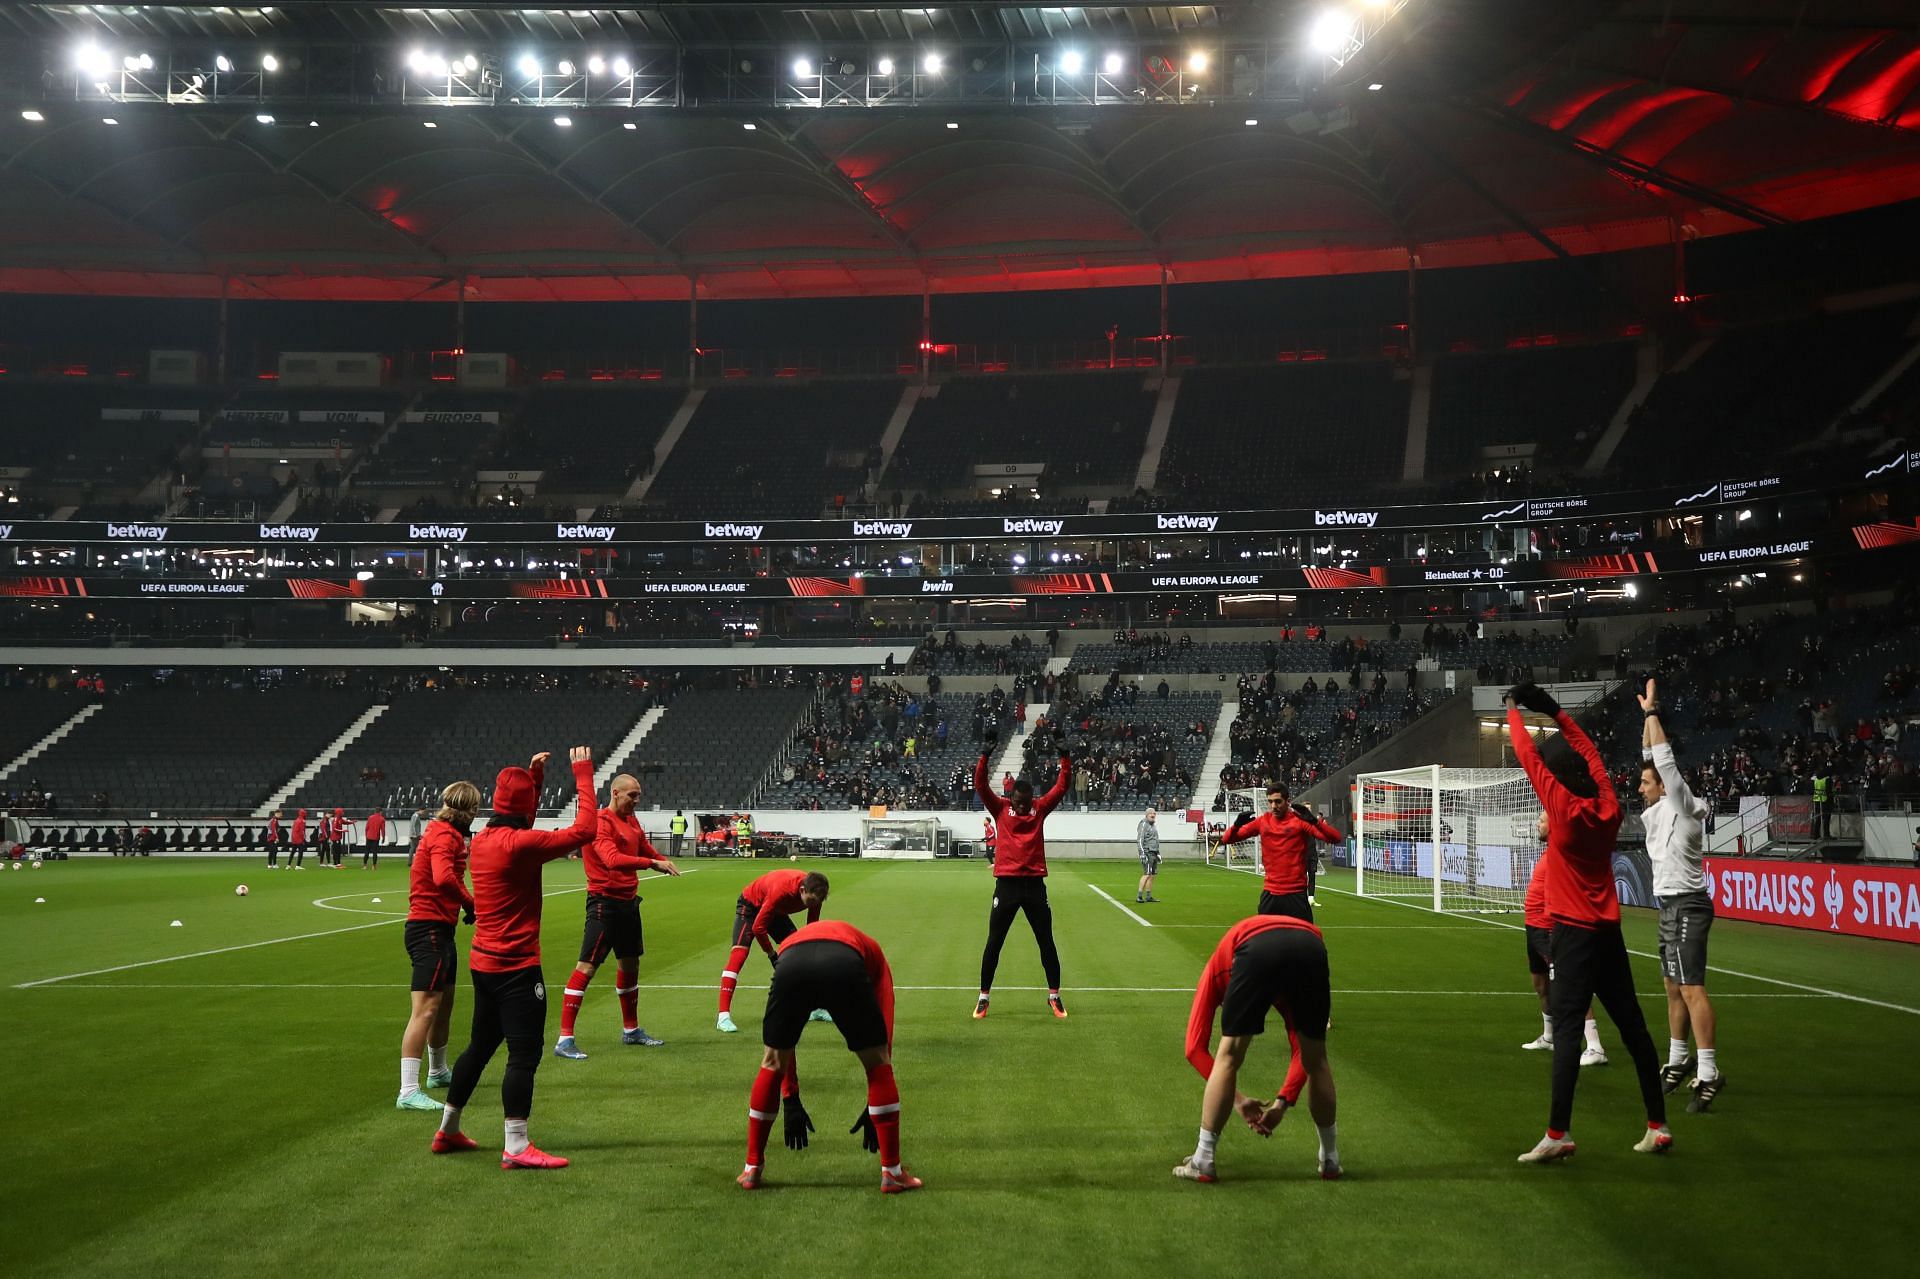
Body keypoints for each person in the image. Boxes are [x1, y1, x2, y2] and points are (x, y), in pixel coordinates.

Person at [1504, 684, 1669, 1164]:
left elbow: (1526, 754)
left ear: (1560, 785)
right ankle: (1657, 1124)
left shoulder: (1563, 810)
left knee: (1568, 1032)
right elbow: (1588, 750)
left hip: (1572, 933)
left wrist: (1514, 708)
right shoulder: (1610, 807)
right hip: (1608, 934)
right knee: (1634, 1028)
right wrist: (1554, 710)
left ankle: (1558, 1132)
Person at [433, 747, 598, 1170]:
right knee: (524, 1053)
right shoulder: (521, 845)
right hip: (517, 966)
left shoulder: (485, 839)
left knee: (481, 1045)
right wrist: (582, 774)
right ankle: (517, 1145)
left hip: (483, 962)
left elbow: (519, 813)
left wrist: (534, 779)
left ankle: (448, 1128)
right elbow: (584, 831)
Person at [736, 918, 920, 1194]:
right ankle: (892, 1173)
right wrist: (876, 1098)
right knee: (877, 1064)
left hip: (792, 963)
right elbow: (885, 1012)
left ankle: (752, 1169)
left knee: (772, 1061)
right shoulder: (873, 951)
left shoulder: (791, 942)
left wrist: (791, 1096)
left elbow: (786, 1048)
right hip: (843, 962)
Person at [1174, 914, 1340, 1184]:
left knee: (1229, 1055)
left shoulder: (1217, 970)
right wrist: (1281, 1103)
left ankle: (1203, 1159)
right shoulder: (1273, 986)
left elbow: (1194, 1048)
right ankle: (1330, 1159)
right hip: (1311, 945)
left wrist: (1240, 1100)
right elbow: (1303, 1053)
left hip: (1256, 948)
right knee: (1317, 1057)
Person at [1639, 679, 1724, 1113]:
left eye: (1645, 783)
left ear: (1663, 788)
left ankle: (1708, 1073)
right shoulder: (1659, 809)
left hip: (1688, 904)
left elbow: (1664, 764)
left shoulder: (1683, 806)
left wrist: (1654, 715)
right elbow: (1650, 758)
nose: (1640, 787)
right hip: (1668, 906)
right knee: (1672, 987)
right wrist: (1645, 718)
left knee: (1692, 988)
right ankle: (1677, 1060)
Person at [555, 774, 681, 1059]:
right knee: (587, 967)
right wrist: (652, 864)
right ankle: (564, 1039)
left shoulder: (631, 820)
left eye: (638, 795)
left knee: (630, 963)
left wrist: (659, 857)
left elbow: (641, 846)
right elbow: (612, 860)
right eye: (632, 796)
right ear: (615, 793)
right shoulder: (601, 823)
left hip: (627, 903)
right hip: (604, 904)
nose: (637, 801)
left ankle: (631, 1030)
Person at [971, 729, 1071, 1020]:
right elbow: (980, 786)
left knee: (1046, 941)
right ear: (1010, 797)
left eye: (1026, 803)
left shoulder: (1039, 809)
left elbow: (1061, 788)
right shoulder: (1000, 808)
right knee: (994, 942)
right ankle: (983, 997)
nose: (1023, 808)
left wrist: (1065, 757)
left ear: (1031, 799)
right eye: (1018, 803)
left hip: (1035, 886)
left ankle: (1054, 996)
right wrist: (984, 756)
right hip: (1007, 886)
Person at [397, 780, 480, 1113]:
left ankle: (438, 1071)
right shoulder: (445, 835)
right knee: (426, 1009)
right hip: (427, 928)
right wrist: (471, 904)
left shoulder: (444, 832)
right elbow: (444, 878)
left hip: (440, 928)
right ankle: (407, 1090)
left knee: (444, 1004)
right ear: (469, 810)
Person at [1519, 814, 1608, 1067]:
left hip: (1550, 930)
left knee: (1570, 985)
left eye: (1542, 820)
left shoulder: (1563, 855)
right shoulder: (1550, 852)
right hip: (1534, 928)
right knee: (1540, 985)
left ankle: (1594, 1045)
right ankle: (1550, 1036)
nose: (1538, 824)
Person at [716, 867, 830, 1034]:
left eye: (817, 902)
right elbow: (758, 928)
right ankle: (723, 1016)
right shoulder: (782, 891)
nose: (813, 905)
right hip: (751, 906)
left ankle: (814, 1008)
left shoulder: (815, 895)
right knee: (739, 954)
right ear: (802, 890)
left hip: (776, 910)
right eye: (811, 901)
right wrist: (771, 954)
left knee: (801, 955)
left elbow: (812, 924)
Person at [1215, 785, 1343, 922]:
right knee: (1266, 941)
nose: (1273, 806)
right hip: (1271, 893)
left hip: (1296, 894)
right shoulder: (1263, 821)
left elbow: (1335, 838)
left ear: (1288, 801)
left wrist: (1315, 822)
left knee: (1303, 941)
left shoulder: (1300, 822)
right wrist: (1236, 826)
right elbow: (1227, 839)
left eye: (1278, 801)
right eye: (1270, 802)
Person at [1136, 807, 1162, 904]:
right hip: (1147, 852)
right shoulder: (1144, 824)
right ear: (1147, 815)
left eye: (1154, 813)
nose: (1153, 815)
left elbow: (1155, 839)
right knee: (1146, 874)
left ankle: (1148, 896)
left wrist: (1158, 853)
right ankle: (1139, 896)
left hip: (1154, 852)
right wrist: (1142, 853)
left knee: (1152, 875)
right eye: (1151, 813)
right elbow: (1140, 840)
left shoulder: (1153, 825)